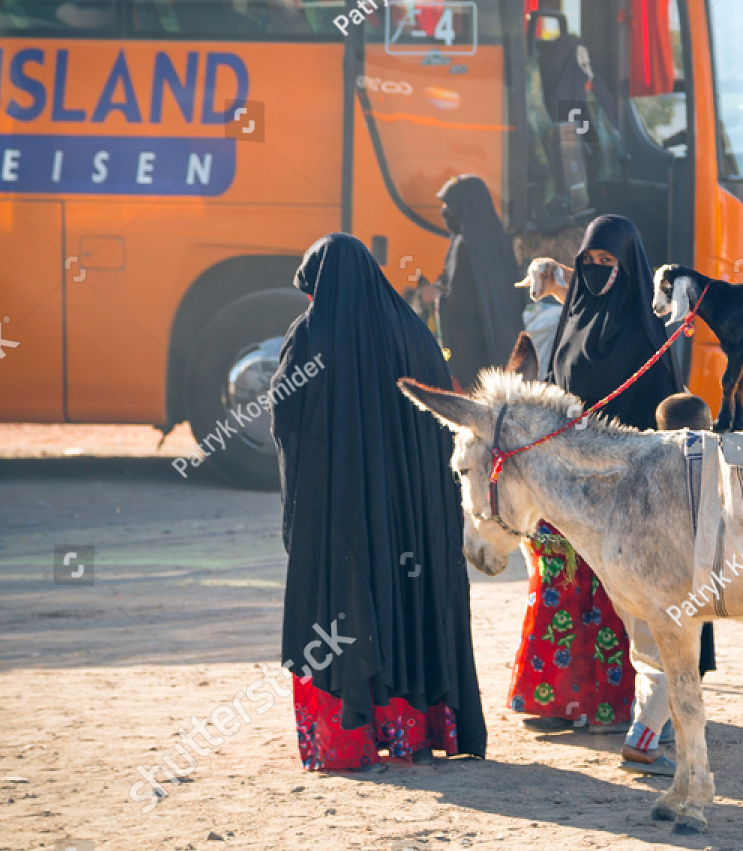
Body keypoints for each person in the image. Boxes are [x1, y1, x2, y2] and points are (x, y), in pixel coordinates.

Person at [272, 233, 487, 771]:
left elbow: (285, 417)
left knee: (343, 611)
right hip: (412, 520)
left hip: (338, 517)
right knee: (409, 611)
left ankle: (349, 744)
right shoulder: (413, 332)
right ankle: (413, 735)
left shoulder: (311, 337)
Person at [509, 215, 682, 734]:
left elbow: (660, 416)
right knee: (559, 586)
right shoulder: (573, 317)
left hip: (622, 490)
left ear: (628, 268)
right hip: (564, 486)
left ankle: (615, 707)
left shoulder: (644, 331)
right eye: (591, 262)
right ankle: (557, 700)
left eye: (610, 263)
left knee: (616, 597)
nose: (599, 272)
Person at [619, 391, 718, 775]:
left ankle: (647, 733)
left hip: (627, 578)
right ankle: (641, 741)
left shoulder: (641, 459)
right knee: (674, 660)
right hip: (667, 582)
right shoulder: (700, 465)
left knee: (644, 657)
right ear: (703, 429)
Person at [435, 176, 526, 389]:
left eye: (448, 204)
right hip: (501, 351)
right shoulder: (498, 239)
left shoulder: (462, 245)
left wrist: (435, 297)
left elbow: (456, 306)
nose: (444, 210)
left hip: (469, 361)